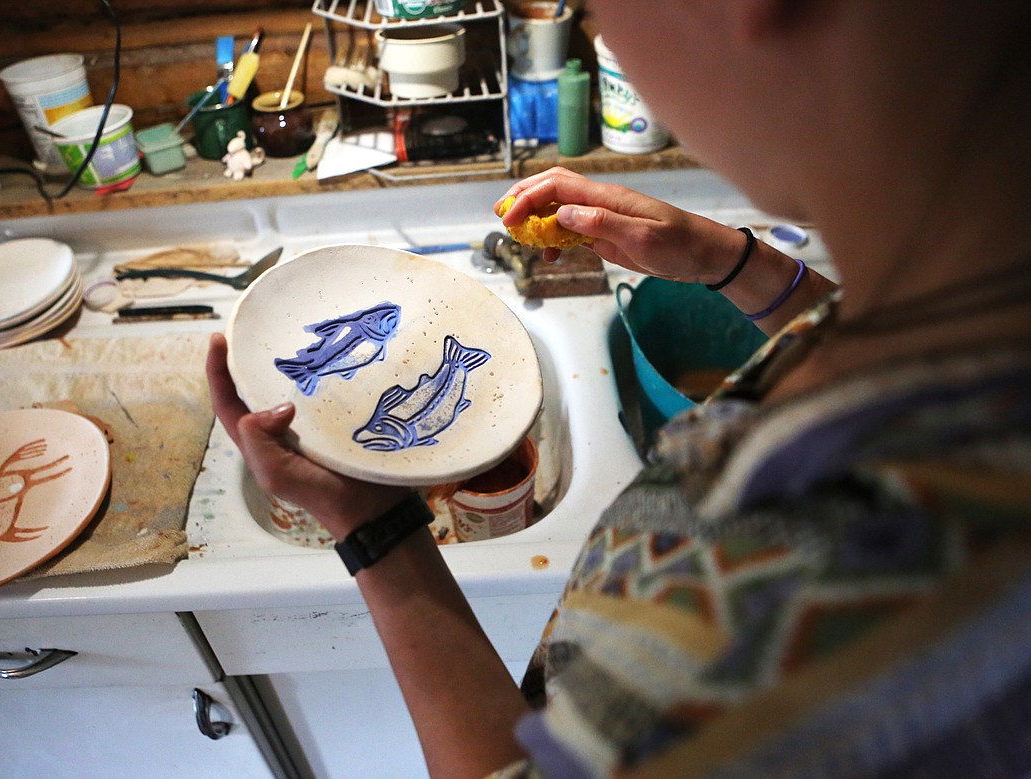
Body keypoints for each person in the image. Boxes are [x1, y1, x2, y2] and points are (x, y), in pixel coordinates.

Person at [207, 0, 1031, 775]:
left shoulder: (776, 576)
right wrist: (737, 266)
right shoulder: (968, 312)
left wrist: (374, 526)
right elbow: (859, 338)